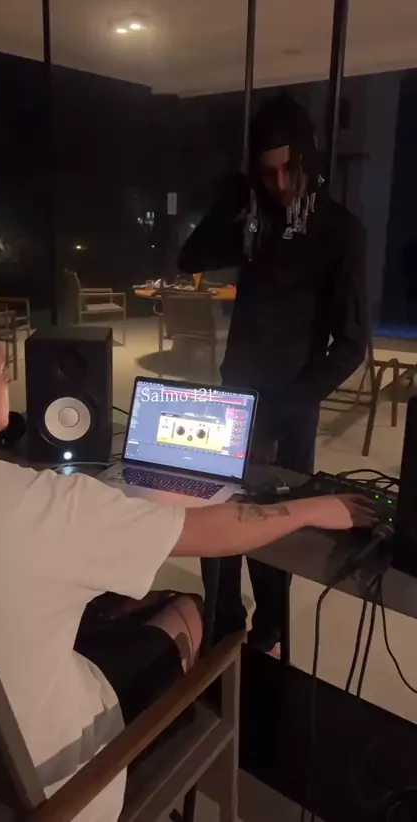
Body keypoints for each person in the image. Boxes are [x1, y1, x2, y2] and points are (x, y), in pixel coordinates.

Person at [0, 289, 374, 822]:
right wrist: (313, 507)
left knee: (108, 601)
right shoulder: (45, 505)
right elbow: (212, 530)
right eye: (4, 371)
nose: (9, 382)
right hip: (67, 790)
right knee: (188, 608)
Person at [178, 95, 368, 651]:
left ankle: (271, 628)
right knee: (215, 511)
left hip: (290, 406)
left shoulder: (340, 230)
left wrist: (279, 417)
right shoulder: (255, 221)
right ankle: (223, 622)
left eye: (288, 169)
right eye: (267, 173)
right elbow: (189, 258)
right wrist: (237, 194)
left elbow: (350, 345)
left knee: (274, 526)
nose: (280, 184)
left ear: (308, 159)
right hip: (234, 394)